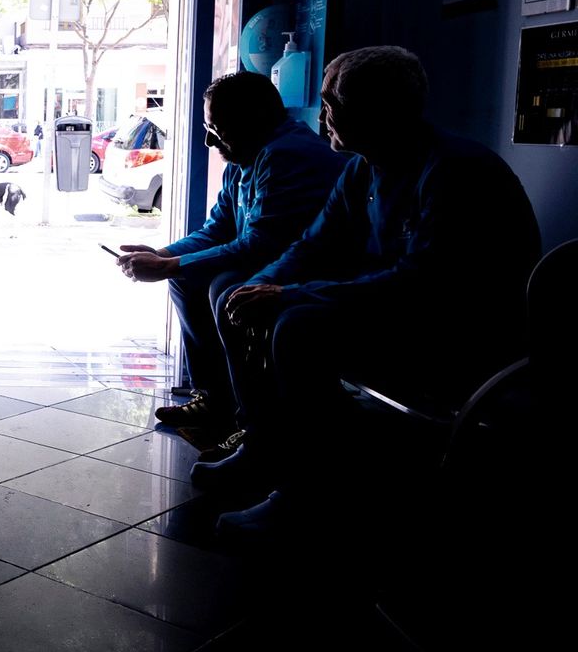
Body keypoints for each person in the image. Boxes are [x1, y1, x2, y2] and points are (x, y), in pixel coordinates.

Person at [202, 46, 541, 536]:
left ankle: (308, 493)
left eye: (333, 103)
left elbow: (419, 282)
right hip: (406, 314)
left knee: (298, 327)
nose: (323, 115)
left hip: (463, 335)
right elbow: (313, 245)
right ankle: (263, 447)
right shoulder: (363, 166)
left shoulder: (454, 171)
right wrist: (261, 283)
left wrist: (288, 296)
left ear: (380, 111)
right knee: (239, 294)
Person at [114, 72, 344, 441]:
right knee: (187, 279)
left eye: (216, 128)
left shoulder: (287, 155)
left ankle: (254, 422)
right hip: (270, 260)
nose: (208, 140)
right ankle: (214, 397)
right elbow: (218, 229)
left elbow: (260, 244)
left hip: (307, 269)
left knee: (223, 288)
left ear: (252, 118)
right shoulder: (244, 156)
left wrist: (169, 265)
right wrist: (164, 255)